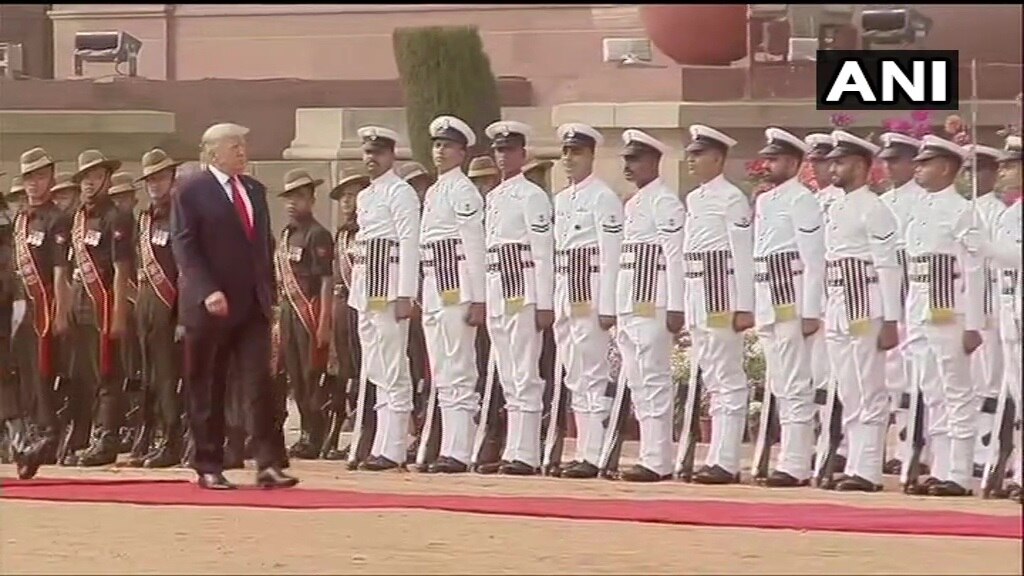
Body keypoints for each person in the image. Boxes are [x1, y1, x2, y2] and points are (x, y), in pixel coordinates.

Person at [172, 122, 295, 490]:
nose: (242, 152)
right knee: (208, 385)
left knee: (260, 383)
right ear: (213, 153)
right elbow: (185, 246)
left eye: (243, 145)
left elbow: (263, 247)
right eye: (234, 146)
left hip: (251, 305)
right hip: (210, 306)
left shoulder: (254, 190)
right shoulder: (192, 191)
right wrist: (207, 289)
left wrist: (269, 295)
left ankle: (268, 463)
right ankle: (209, 463)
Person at [820, 130, 902, 492]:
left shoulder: (874, 208)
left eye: (840, 161)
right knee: (848, 389)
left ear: (860, 165)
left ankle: (867, 468)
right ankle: (853, 460)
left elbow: (887, 266)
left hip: (864, 302)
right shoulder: (836, 206)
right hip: (839, 301)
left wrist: (889, 319)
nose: (832, 167)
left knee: (869, 387)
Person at [903, 135, 984, 497]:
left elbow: (974, 269)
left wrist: (974, 322)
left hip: (950, 307)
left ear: (948, 168)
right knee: (932, 390)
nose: (918, 169)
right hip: (921, 305)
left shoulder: (962, 211)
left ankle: (960, 473)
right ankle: (940, 467)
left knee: (956, 391)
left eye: (926, 163)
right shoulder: (918, 209)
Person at [751, 127, 825, 488]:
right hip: (769, 299)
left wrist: (810, 311)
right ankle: (787, 458)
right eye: (767, 158)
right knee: (780, 383)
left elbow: (813, 259)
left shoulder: (802, 200)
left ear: (794, 163)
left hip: (790, 298)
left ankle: (796, 463)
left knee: (796, 383)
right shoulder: (767, 201)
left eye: (775, 159)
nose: (767, 165)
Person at [479, 120, 554, 476]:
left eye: (508, 150)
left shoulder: (532, 196)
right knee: (508, 373)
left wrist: (543, 302)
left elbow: (540, 251)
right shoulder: (494, 196)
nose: (502, 156)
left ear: (523, 154)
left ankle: (527, 451)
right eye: (498, 150)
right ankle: (513, 447)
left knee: (525, 372)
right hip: (498, 288)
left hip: (521, 289)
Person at [681, 124, 754, 485]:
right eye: (690, 153)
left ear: (718, 158)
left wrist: (744, 304)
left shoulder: (731, 198)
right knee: (711, 374)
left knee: (727, 376)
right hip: (698, 291)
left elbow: (741, 255)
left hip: (720, 290)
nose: (691, 160)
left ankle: (726, 460)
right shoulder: (695, 199)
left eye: (698, 154)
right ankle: (714, 456)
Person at [550, 123, 622, 479]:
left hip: (590, 293)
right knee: (574, 374)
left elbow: (610, 256)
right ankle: (584, 448)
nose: (568, 158)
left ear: (591, 155)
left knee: (592, 373)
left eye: (576, 152)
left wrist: (608, 306)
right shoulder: (563, 199)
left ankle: (595, 452)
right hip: (567, 293)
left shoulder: (603, 198)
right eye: (565, 152)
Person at [348, 125, 421, 471]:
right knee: (375, 365)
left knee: (394, 366)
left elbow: (409, 243)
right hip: (367, 288)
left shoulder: (400, 193)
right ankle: (380, 442)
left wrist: (407, 292)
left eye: (376, 153)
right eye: (366, 153)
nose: (370, 159)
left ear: (391, 155)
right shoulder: (366, 195)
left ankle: (394, 445)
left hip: (389, 286)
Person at [416, 115, 486, 474]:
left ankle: (460, 448)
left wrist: (478, 297)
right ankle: (448, 445)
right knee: (443, 371)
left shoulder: (463, 190)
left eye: (447, 145)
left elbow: (473, 245)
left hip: (456, 288)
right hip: (435, 289)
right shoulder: (436, 190)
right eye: (437, 145)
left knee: (459, 368)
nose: (440, 151)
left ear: (462, 151)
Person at [615, 129, 685, 482]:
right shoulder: (635, 203)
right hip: (632, 304)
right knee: (639, 382)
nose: (628, 165)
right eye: (626, 159)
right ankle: (649, 454)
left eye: (635, 159)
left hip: (653, 303)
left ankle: (659, 458)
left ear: (654, 162)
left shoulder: (665, 202)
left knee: (654, 379)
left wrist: (676, 305)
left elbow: (674, 258)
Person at [4, 148, 72, 478]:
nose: (34, 184)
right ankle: (24, 437)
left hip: (44, 304)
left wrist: (60, 311)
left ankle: (46, 433)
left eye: (40, 176)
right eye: (29, 177)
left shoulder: (56, 218)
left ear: (52, 178)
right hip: (17, 307)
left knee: (41, 374)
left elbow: (60, 270)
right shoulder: (19, 220)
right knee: (18, 374)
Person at [65, 150, 133, 467]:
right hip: (79, 302)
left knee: (109, 373)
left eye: (94, 176)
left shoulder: (115, 217)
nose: (89, 183)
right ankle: (88, 433)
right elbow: (68, 265)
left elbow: (121, 268)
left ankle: (108, 438)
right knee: (85, 375)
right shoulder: (78, 217)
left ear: (106, 178)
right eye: (84, 178)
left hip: (105, 302)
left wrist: (119, 312)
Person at [876, 132, 929, 475]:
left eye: (896, 160)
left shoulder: (923, 201)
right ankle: (899, 445)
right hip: (888, 297)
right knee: (893, 376)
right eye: (886, 160)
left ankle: (917, 448)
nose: (889, 166)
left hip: (916, 293)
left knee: (917, 376)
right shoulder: (885, 201)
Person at [275, 169, 335, 460]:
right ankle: (304, 433)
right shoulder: (287, 234)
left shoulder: (318, 234)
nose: (292, 203)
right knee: (295, 377)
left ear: (311, 199)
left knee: (312, 375)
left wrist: (324, 322)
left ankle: (316, 433)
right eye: (288, 197)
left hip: (309, 311)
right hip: (288, 311)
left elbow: (326, 279)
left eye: (298, 197)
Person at [133, 149, 184, 468]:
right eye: (150, 179)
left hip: (171, 307)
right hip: (147, 305)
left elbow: (187, 269)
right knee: (149, 378)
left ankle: (172, 441)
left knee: (168, 379)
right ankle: (150, 437)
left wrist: (183, 316)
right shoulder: (145, 217)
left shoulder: (180, 216)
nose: (155, 184)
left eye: (160, 178)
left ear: (172, 180)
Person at [804, 133, 849, 473]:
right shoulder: (811, 200)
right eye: (814, 161)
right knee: (816, 377)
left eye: (823, 161)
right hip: (812, 300)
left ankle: (841, 444)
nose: (817, 167)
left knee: (838, 376)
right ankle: (820, 441)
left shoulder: (840, 201)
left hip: (837, 299)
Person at [963, 144, 1008, 476]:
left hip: (991, 305)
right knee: (971, 381)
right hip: (961, 306)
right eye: (968, 170)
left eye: (978, 170)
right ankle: (973, 447)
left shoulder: (996, 212)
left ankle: (987, 448)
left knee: (991, 380)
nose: (972, 177)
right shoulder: (964, 210)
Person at [323, 170, 371, 461]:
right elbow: (332, 276)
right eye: (343, 197)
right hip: (342, 305)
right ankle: (337, 430)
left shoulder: (369, 229)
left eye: (352, 195)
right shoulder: (341, 234)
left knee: (366, 367)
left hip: (364, 304)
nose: (347, 202)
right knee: (342, 371)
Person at [466, 154, 507, 469]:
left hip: (506, 303)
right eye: (476, 182)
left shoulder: (501, 212)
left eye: (487, 181)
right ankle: (486, 434)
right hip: (475, 304)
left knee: (507, 373)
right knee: (480, 372)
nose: (482, 188)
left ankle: (499, 436)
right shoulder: (470, 217)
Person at [396, 161, 434, 464]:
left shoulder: (434, 218)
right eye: (412, 187)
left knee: (434, 374)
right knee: (409, 371)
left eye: (421, 186)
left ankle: (431, 433)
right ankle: (413, 432)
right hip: (409, 308)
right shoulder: (401, 223)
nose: (418, 193)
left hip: (434, 307)